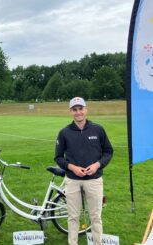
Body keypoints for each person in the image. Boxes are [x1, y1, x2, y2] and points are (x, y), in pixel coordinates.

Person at [54, 97, 113, 245]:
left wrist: (97, 165)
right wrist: (72, 167)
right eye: (75, 109)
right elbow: (58, 158)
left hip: (94, 180)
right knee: (73, 217)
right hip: (73, 180)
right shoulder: (64, 133)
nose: (78, 112)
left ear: (86, 110)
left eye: (81, 109)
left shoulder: (98, 129)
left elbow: (108, 152)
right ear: (71, 112)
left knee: (95, 217)